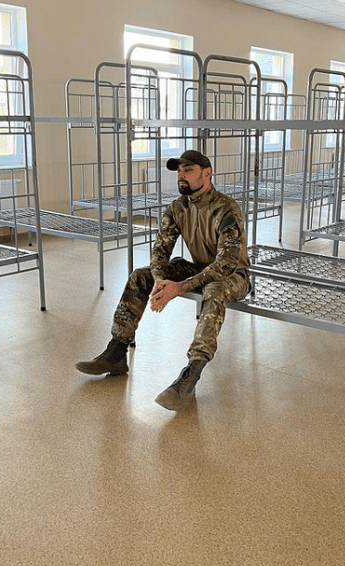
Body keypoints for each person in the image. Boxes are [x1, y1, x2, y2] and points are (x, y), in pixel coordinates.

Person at [76, 149, 250, 411]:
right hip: (198, 268)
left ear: (207, 173)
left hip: (234, 275)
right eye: (179, 171)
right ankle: (117, 351)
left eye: (188, 170)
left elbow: (225, 265)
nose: (181, 176)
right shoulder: (178, 207)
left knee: (214, 290)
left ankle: (191, 374)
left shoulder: (227, 209)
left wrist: (179, 287)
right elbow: (160, 250)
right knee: (140, 276)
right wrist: (159, 279)